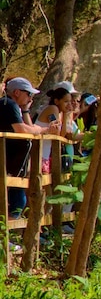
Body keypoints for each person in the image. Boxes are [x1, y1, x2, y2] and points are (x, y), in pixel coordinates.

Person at [1, 77, 53, 219]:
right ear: (17, 92)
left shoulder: (13, 106)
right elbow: (23, 130)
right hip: (9, 162)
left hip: (15, 165)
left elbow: (29, 128)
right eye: (28, 94)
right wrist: (41, 130)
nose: (30, 98)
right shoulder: (8, 104)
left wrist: (25, 111)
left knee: (17, 200)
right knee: (17, 202)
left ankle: (7, 236)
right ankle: (5, 236)